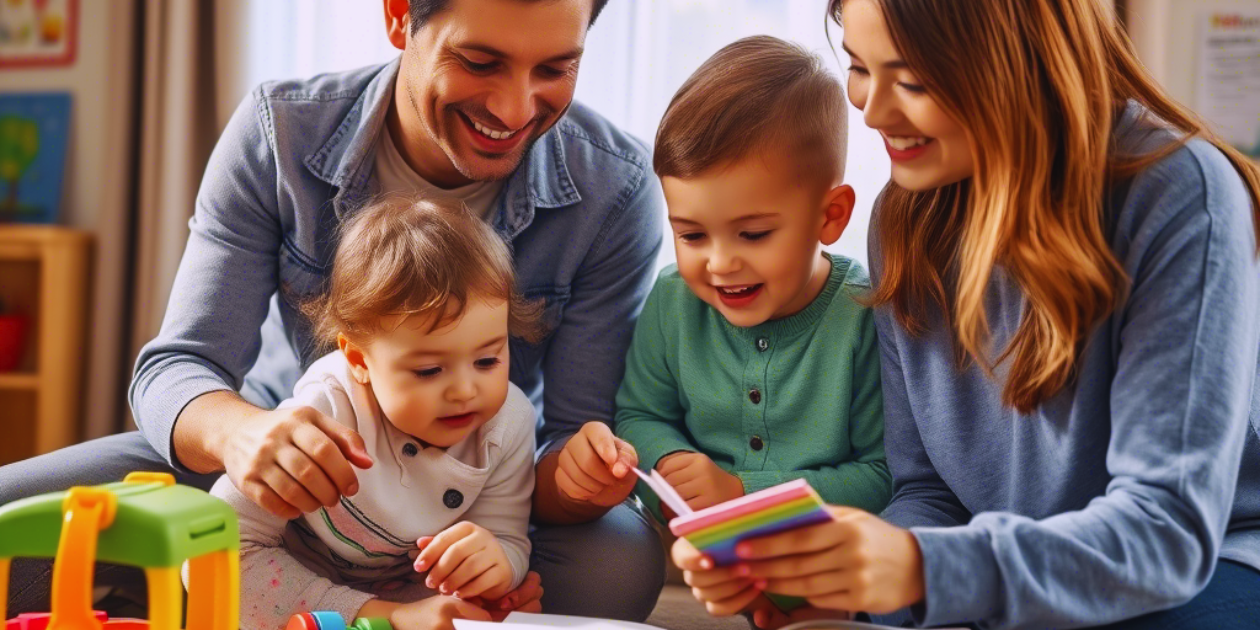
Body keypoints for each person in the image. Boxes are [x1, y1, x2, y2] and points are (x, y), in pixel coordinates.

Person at [0, 0, 666, 621]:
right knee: (19, 519)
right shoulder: (280, 132)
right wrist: (245, 438)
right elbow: (178, 367)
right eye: (480, 62)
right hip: (272, 468)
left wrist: (564, 494)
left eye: (555, 68)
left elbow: (565, 437)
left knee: (618, 562)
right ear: (401, 16)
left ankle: (227, 592)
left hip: (478, 484)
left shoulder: (614, 188)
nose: (515, 106)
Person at [673, 0, 1260, 628]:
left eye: (914, 82)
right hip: (1006, 579)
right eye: (859, 68)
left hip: (1202, 570)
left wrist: (921, 569)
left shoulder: (1178, 193)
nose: (871, 111)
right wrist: (840, 581)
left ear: (1014, 63)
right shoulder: (905, 218)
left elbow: (1164, 533)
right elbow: (930, 493)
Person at [214, 196, 543, 629]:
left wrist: (496, 561)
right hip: (297, 579)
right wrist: (387, 618)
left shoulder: (509, 422)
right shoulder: (327, 406)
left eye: (487, 361)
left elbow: (509, 538)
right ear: (359, 361)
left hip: (408, 589)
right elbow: (220, 543)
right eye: (429, 370)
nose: (466, 391)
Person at [614, 37, 890, 527]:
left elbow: (881, 475)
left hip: (820, 548)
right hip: (690, 545)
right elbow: (639, 417)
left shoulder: (864, 312)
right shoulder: (672, 298)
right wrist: (670, 463)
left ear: (830, 216)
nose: (720, 264)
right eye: (692, 234)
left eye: (754, 234)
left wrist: (743, 492)